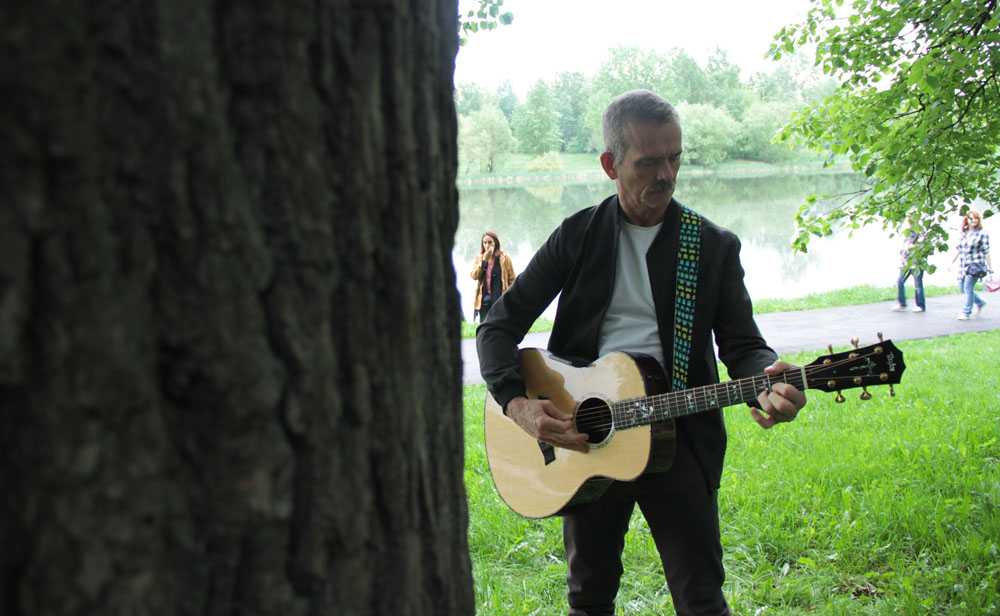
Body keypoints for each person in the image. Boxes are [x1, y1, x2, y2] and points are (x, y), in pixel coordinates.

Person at [477, 90, 806, 616]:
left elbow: (743, 345)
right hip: (586, 433)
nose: (666, 175)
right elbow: (498, 326)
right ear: (611, 165)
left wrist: (768, 378)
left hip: (681, 433)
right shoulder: (576, 236)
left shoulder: (711, 245)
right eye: (649, 163)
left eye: (675, 158)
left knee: (701, 598)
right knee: (589, 596)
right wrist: (517, 403)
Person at [948, 210, 993, 320]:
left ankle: (966, 312)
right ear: (967, 220)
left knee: (968, 287)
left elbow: (986, 251)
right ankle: (980, 302)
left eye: (976, 218)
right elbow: (959, 249)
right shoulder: (963, 233)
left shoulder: (982, 233)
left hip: (975, 264)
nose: (974, 220)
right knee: (962, 287)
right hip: (964, 265)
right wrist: (951, 262)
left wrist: (990, 267)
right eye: (971, 218)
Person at [470, 230, 516, 323]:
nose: (487, 245)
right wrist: (484, 261)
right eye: (484, 243)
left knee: (500, 326)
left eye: (490, 242)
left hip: (500, 300)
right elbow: (474, 276)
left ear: (496, 243)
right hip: (484, 301)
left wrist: (509, 297)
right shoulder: (479, 257)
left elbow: (512, 280)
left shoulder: (505, 258)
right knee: (484, 326)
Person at [891, 227, 926, 312]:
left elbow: (922, 245)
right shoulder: (907, 233)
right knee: (900, 281)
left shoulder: (920, 232)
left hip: (916, 263)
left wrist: (913, 246)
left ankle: (920, 305)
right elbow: (904, 249)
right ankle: (902, 303)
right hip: (905, 263)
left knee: (918, 285)